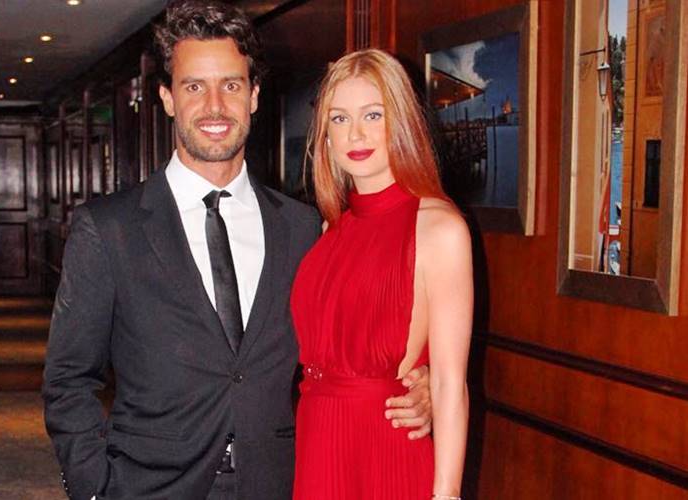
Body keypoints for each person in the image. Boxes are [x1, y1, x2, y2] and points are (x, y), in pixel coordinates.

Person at [42, 3, 432, 500]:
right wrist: (93, 486)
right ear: (167, 98)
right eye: (194, 87)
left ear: (253, 96)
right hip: (148, 487)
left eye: (230, 85)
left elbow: (348, 343)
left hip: (278, 481)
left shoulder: (304, 228)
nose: (214, 106)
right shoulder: (108, 229)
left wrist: (421, 382)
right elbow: (68, 378)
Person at [290, 48, 473, 500]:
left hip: (385, 452)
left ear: (402, 121)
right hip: (318, 448)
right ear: (325, 135)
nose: (355, 133)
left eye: (373, 114)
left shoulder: (439, 228)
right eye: (339, 118)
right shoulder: (331, 228)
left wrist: (446, 495)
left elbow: (450, 383)